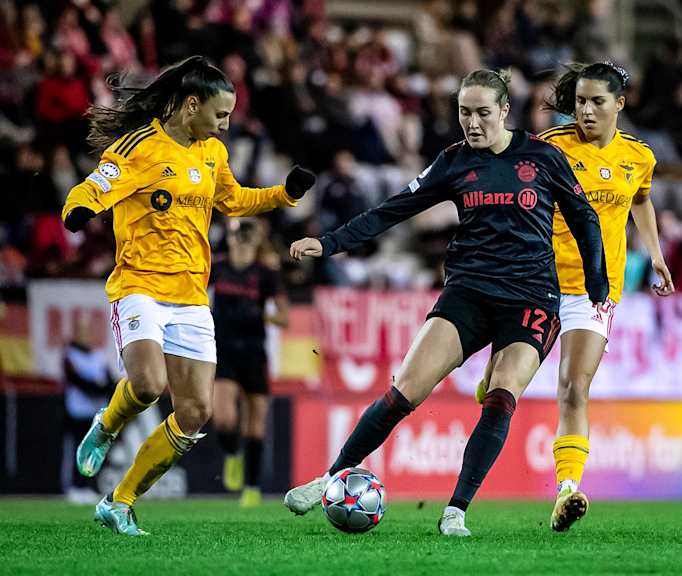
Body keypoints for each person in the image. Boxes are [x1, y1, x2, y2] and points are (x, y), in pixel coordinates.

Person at [285, 68, 608, 537]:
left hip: (531, 298)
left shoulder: (543, 157)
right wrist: (330, 243)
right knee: (403, 393)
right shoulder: (454, 161)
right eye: (463, 113)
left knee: (501, 396)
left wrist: (597, 286)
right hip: (468, 292)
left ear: (503, 110)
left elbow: (585, 218)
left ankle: (456, 511)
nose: (472, 123)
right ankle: (331, 476)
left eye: (481, 113)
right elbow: (392, 209)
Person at [62, 56, 314, 535]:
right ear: (191, 104)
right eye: (220, 115)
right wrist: (78, 209)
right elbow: (97, 185)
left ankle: (120, 502)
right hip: (139, 285)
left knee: (196, 413)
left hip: (192, 296)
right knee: (148, 386)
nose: (225, 124)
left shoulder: (211, 153)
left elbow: (235, 199)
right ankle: (108, 424)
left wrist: (284, 193)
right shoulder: (140, 147)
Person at [474, 62, 674, 532]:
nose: (585, 110)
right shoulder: (551, 148)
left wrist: (656, 255)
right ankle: (491, 369)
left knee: (573, 387)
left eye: (597, 102)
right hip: (538, 281)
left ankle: (566, 491)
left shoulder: (639, 157)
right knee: (501, 388)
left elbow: (640, 200)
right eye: (580, 101)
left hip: (595, 288)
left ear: (619, 105)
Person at [210, 219, 288, 507]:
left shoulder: (266, 274)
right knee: (224, 418)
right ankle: (232, 454)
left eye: (247, 237)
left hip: (255, 352)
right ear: (229, 239)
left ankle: (252, 487)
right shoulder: (216, 268)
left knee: (255, 425)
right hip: (224, 351)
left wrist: (260, 314)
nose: (242, 241)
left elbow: (284, 316)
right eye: (237, 236)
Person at [63, 315, 118, 505]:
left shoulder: (98, 355)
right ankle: (75, 487)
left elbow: (109, 380)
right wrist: (97, 388)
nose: (86, 336)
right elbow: (76, 380)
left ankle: (89, 486)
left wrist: (105, 389)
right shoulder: (70, 354)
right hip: (77, 411)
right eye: (82, 332)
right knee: (78, 448)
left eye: (88, 332)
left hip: (97, 413)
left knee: (95, 451)